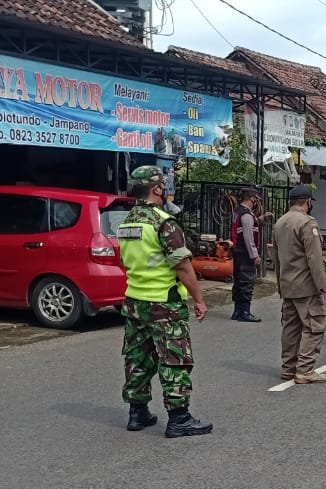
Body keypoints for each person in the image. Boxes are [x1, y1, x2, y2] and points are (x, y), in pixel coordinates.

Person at [116, 165, 213, 438]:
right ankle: (179, 418)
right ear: (157, 188)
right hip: (164, 303)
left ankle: (138, 413)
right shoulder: (163, 223)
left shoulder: (126, 223)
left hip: (135, 300)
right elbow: (182, 266)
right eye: (164, 184)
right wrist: (199, 299)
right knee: (174, 360)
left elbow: (126, 262)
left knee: (137, 357)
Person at [271, 185, 326, 384]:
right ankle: (305, 369)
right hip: (306, 286)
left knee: (291, 327)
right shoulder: (307, 223)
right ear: (307, 201)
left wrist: (281, 285)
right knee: (315, 326)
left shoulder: (280, 223)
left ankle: (288, 367)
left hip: (288, 284)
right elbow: (314, 259)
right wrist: (324, 287)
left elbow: (276, 258)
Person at [229, 188, 273, 323]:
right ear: (251, 198)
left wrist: (263, 219)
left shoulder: (239, 212)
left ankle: (237, 311)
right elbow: (248, 237)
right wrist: (255, 255)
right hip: (245, 253)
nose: (256, 202)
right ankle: (245, 312)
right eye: (256, 199)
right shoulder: (246, 215)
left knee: (238, 282)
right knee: (246, 282)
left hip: (238, 252)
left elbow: (251, 226)